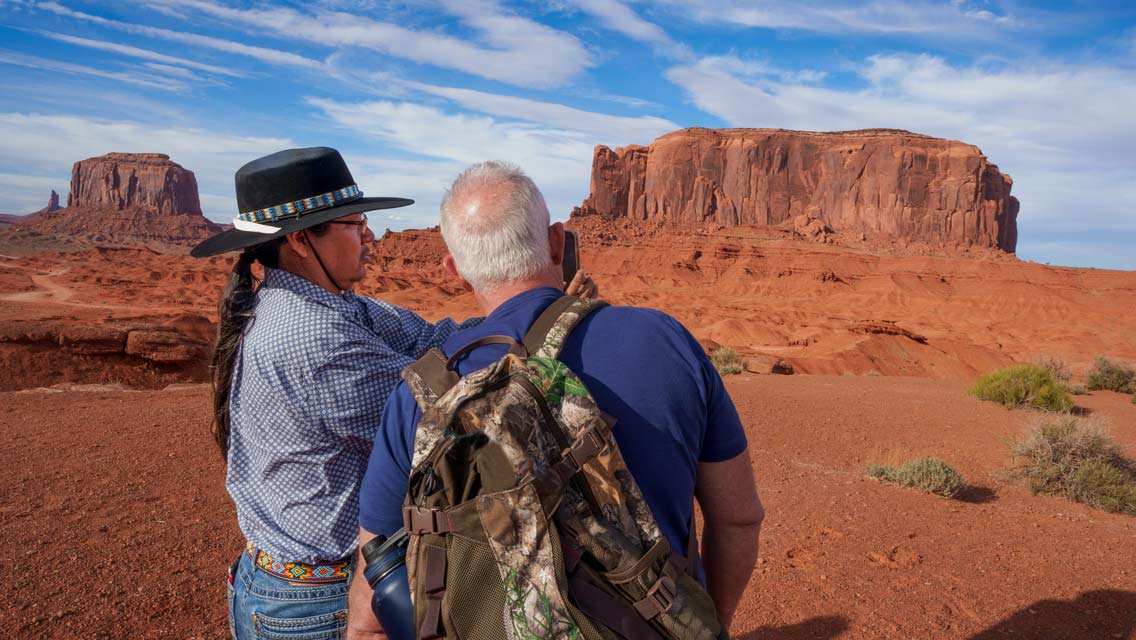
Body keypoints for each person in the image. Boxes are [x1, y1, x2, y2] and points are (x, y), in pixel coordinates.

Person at [348, 161, 764, 639]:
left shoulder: (417, 394)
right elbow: (738, 518)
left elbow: (370, 608)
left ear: (455, 271)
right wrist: (706, 624)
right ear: (555, 241)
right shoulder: (666, 340)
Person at [194, 148, 593, 640]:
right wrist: (548, 317)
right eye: (355, 223)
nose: (369, 236)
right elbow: (445, 414)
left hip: (303, 590)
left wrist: (524, 309)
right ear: (300, 240)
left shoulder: (332, 305)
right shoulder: (312, 335)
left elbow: (432, 337)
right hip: (320, 604)